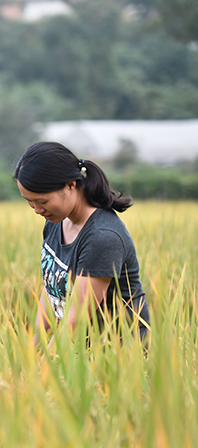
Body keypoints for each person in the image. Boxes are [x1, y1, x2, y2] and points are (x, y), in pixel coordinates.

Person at [14, 141, 150, 343]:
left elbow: (74, 320)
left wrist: (42, 366)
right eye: (29, 202)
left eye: (42, 201)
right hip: (81, 346)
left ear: (70, 185)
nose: (37, 210)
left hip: (118, 353)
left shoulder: (102, 237)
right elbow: (52, 288)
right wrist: (32, 349)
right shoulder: (55, 221)